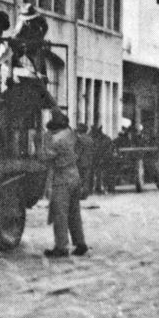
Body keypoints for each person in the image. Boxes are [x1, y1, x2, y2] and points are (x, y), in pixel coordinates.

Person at [40, 110, 88, 257]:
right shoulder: (71, 134)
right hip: (75, 175)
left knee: (60, 214)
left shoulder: (55, 140)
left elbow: (44, 157)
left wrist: (39, 142)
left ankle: (61, 247)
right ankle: (80, 244)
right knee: (74, 213)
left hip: (62, 179)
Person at [89, 125, 116, 194]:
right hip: (95, 159)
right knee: (95, 173)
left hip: (105, 159)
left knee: (105, 173)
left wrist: (104, 158)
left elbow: (110, 149)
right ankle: (96, 188)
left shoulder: (106, 139)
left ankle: (107, 187)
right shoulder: (91, 137)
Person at [75, 124, 98, 200]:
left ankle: (80, 194)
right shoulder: (90, 139)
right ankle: (85, 194)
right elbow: (94, 150)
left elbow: (78, 151)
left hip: (81, 162)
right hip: (89, 161)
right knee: (86, 178)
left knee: (80, 178)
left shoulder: (80, 139)